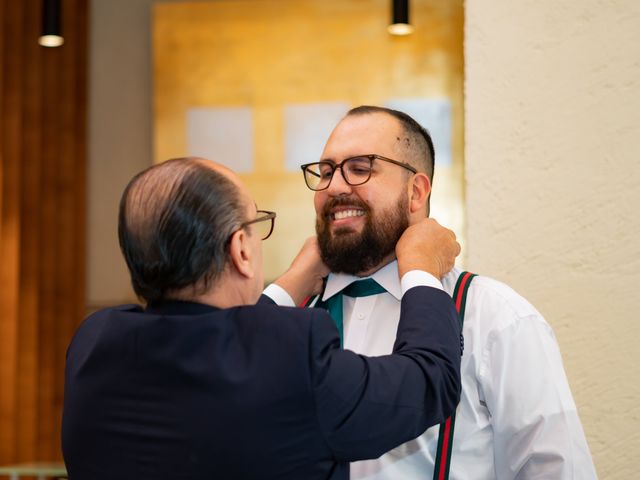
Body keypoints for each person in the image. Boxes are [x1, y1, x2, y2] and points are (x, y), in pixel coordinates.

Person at [62, 156, 465, 480]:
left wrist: (290, 284)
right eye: (257, 225)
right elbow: (428, 381)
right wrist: (421, 271)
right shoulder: (293, 353)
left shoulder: (94, 343)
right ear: (240, 249)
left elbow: (228, 363)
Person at [293, 106, 598, 479]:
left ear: (416, 192)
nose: (335, 187)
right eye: (325, 172)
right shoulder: (292, 319)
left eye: (360, 168)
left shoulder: (494, 316)